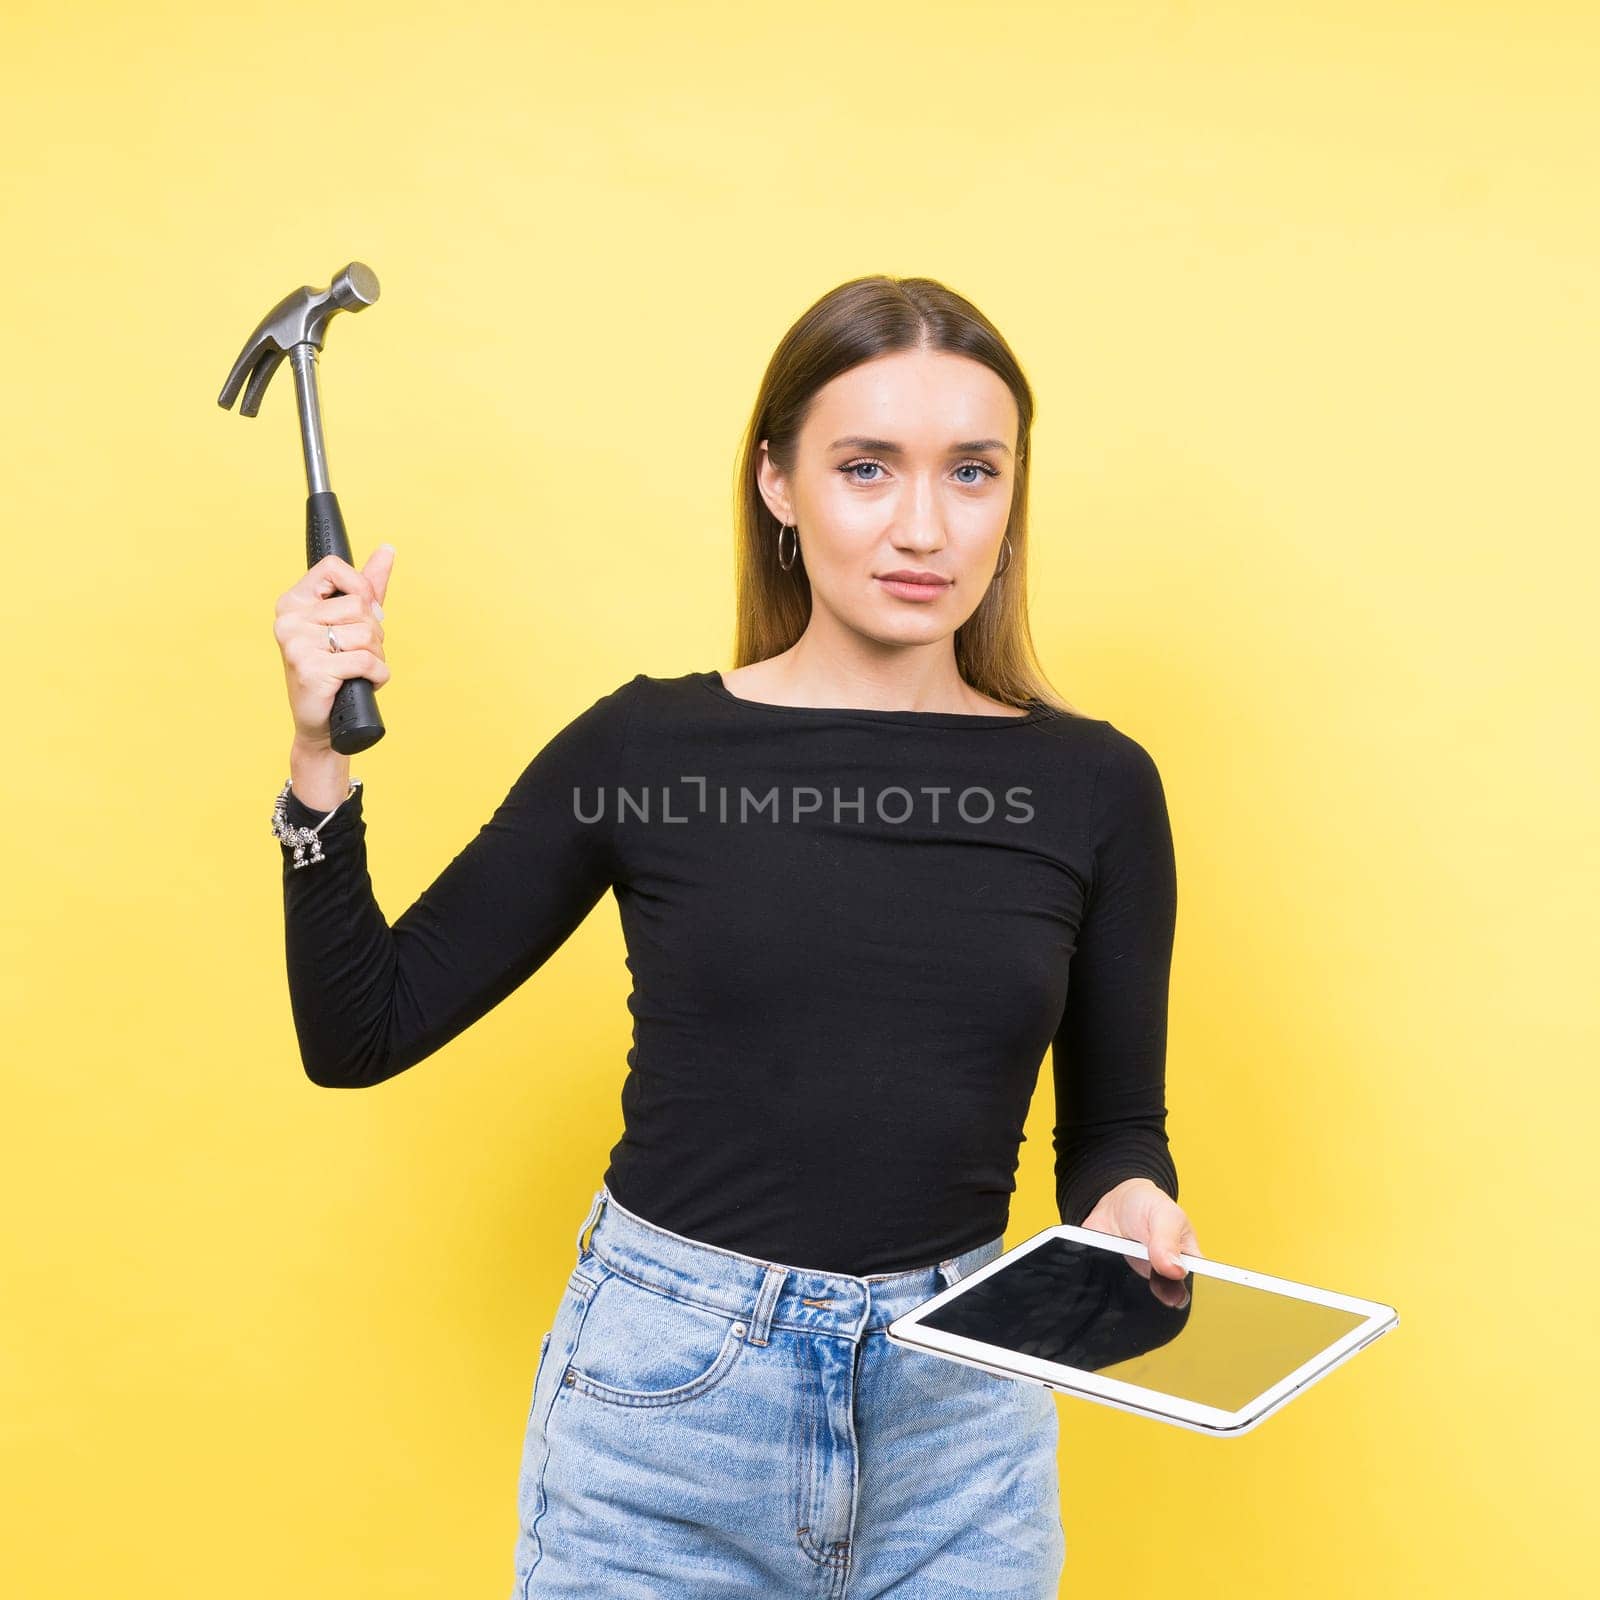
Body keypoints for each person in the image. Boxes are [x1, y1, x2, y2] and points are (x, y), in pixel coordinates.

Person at [269, 274, 1203, 1599]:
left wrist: (1131, 1210)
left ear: (1014, 492)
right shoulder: (646, 752)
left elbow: (1113, 1130)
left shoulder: (1100, 789)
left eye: (973, 473)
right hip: (670, 1414)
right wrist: (318, 754)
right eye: (866, 469)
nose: (924, 525)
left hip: (963, 1429)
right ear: (777, 483)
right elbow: (359, 1033)